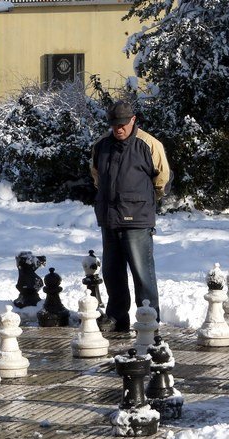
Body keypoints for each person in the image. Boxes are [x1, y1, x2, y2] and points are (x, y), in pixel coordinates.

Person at [89, 101, 170, 332]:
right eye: (114, 125)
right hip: (109, 218)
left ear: (133, 120)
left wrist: (143, 201)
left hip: (138, 219)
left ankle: (149, 317)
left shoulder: (149, 144)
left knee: (142, 272)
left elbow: (162, 179)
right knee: (112, 272)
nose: (119, 129)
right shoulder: (101, 145)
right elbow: (96, 176)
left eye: (123, 124)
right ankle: (117, 317)